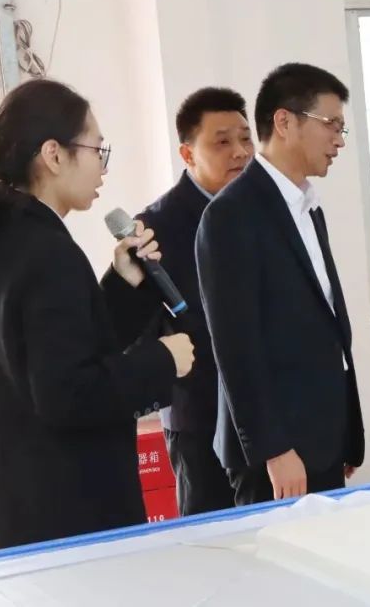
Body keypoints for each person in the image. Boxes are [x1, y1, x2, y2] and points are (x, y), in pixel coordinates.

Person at [0, 79, 195, 551]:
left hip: (25, 512)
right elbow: (69, 394)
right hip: (69, 517)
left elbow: (62, 350)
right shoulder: (46, 252)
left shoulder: (4, 239)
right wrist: (162, 359)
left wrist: (123, 285)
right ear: (53, 155)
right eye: (97, 150)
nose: (103, 167)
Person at [196, 63, 364, 505]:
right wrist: (275, 450)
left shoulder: (308, 206)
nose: (339, 141)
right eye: (331, 125)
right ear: (285, 122)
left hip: (321, 435)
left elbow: (324, 323)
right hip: (277, 452)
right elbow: (236, 346)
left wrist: (342, 430)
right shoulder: (231, 214)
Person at [104, 87, 253, 516]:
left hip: (266, 414)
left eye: (246, 139)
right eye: (222, 142)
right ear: (188, 154)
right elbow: (141, 330)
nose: (240, 152)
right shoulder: (154, 228)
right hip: (200, 416)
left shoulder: (259, 212)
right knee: (212, 540)